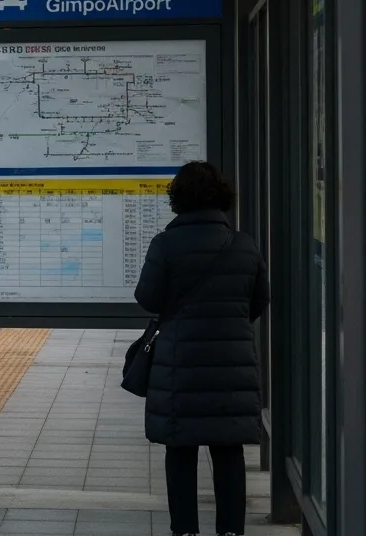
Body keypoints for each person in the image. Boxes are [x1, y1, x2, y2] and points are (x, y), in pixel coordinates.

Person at [134, 161, 269, 536]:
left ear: (177, 199)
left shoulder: (165, 244)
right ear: (223, 198)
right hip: (232, 365)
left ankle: (186, 531)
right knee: (228, 451)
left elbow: (148, 297)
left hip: (180, 363)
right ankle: (230, 531)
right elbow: (259, 300)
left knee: (180, 450)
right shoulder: (243, 245)